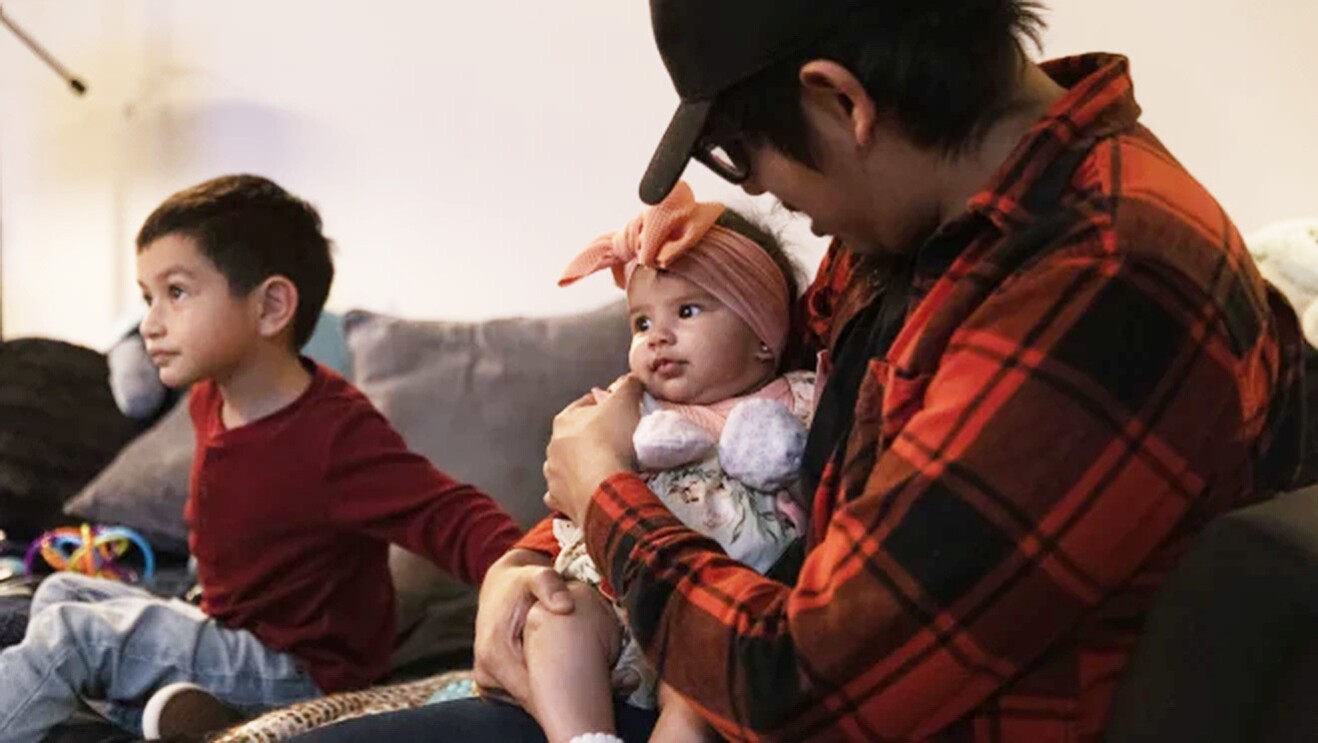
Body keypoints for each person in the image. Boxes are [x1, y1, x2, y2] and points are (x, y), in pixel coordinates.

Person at [293, 0, 1306, 740]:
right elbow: (728, 401)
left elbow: (796, 677)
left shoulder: (1101, 279)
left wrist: (602, 498)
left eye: (742, 157)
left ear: (840, 100)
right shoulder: (930, 231)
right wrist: (524, 562)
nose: (772, 197)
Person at [0, 174, 523, 742]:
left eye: (176, 292)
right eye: (149, 297)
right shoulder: (210, 397)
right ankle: (190, 713)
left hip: (300, 673)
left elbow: (449, 514)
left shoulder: (336, 434)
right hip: (226, 626)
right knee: (58, 592)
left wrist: (523, 573)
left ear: (271, 306)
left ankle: (189, 709)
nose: (150, 323)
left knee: (78, 636)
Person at [519, 182, 815, 743]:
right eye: (642, 323)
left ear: (762, 335)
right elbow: (571, 485)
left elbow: (823, 476)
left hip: (722, 617)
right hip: (619, 601)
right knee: (557, 621)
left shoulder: (797, 399)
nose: (658, 338)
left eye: (687, 311)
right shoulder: (627, 407)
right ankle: (582, 736)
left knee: (700, 696)